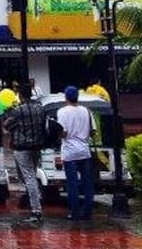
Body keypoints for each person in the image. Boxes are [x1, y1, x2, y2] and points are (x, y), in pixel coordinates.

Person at [2, 85, 46, 222]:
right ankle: (33, 200)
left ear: (20, 95)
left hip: (22, 147)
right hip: (37, 146)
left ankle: (36, 209)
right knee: (32, 174)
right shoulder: (40, 109)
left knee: (29, 177)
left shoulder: (18, 111)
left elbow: (7, 126)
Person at [57, 86, 95, 220]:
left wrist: (59, 135)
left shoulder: (62, 112)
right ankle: (87, 212)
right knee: (87, 183)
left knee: (72, 184)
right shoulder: (86, 111)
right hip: (85, 151)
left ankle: (74, 212)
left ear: (66, 97)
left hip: (70, 152)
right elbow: (93, 131)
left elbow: (63, 132)